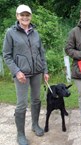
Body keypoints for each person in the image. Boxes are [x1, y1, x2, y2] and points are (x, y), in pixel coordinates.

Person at [2, 4, 49, 145]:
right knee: (22, 104)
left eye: (27, 15)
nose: (25, 17)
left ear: (30, 16)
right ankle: (20, 134)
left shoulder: (35, 33)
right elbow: (7, 55)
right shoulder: (10, 33)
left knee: (36, 100)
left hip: (36, 73)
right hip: (21, 75)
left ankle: (35, 125)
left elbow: (41, 53)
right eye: (22, 15)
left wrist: (45, 70)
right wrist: (16, 72)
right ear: (17, 16)